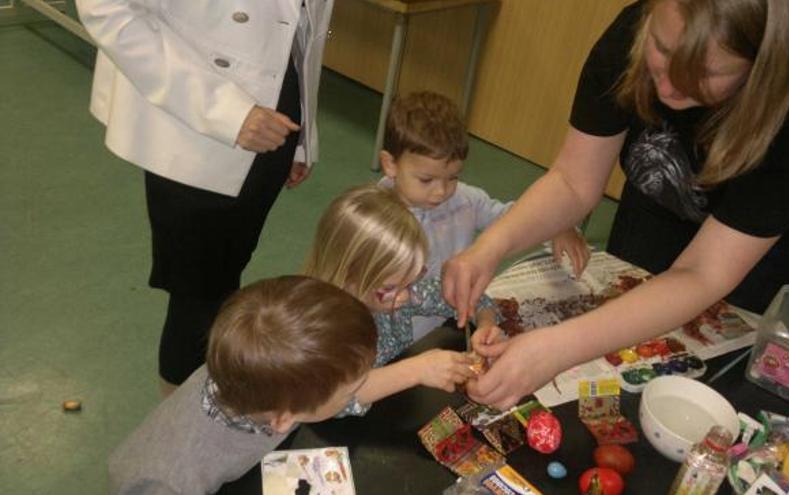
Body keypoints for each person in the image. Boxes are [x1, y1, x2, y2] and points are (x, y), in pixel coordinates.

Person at [443, 0, 789, 409]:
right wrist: (491, 246)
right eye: (662, 50)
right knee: (623, 319)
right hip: (664, 184)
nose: (671, 87)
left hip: (756, 241)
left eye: (706, 73)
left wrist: (556, 348)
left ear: (760, 66)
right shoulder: (631, 31)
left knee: (709, 361)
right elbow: (573, 182)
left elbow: (704, 272)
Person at [76, 0, 334, 395]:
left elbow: (305, 17)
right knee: (195, 295)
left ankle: (211, 414)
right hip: (190, 115)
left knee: (223, 279)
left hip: (274, 109)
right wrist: (226, 111)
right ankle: (180, 438)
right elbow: (107, 9)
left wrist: (303, 132)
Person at [108, 276, 377, 495]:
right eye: (350, 393)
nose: (356, 393)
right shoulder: (170, 479)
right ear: (284, 419)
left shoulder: (253, 370)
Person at [378, 91, 588, 339]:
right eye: (426, 180)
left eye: (453, 177)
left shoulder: (465, 200)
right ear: (390, 164)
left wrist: (559, 225)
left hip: (447, 327)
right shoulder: (371, 215)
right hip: (389, 339)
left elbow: (515, 219)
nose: (441, 191)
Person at [302, 184, 500, 415]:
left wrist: (485, 324)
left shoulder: (402, 291)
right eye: (390, 288)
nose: (406, 295)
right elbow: (326, 402)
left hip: (388, 413)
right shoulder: (319, 328)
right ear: (347, 277)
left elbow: (463, 298)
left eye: (414, 279)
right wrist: (416, 370)